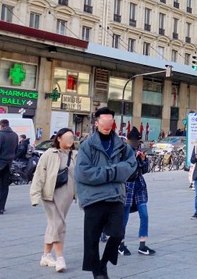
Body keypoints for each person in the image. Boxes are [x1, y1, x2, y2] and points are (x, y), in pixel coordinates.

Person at [75, 107, 136, 279]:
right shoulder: (87, 146)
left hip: (116, 196)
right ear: (96, 123)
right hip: (93, 198)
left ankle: (103, 264)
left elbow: (131, 167)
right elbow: (83, 173)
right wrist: (112, 173)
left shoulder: (122, 146)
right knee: (92, 239)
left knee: (117, 234)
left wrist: (107, 172)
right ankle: (98, 273)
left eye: (110, 122)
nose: (107, 126)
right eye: (104, 122)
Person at [30, 128, 77, 273]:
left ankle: (46, 255)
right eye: (67, 137)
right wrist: (35, 195)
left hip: (67, 194)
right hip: (50, 193)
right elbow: (39, 174)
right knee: (59, 223)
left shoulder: (75, 154)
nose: (70, 140)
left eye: (72, 137)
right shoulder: (49, 154)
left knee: (54, 224)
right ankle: (60, 257)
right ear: (59, 139)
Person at [118, 127, 155, 257]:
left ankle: (142, 245)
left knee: (144, 215)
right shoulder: (122, 152)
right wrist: (133, 158)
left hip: (139, 186)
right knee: (125, 217)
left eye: (138, 142)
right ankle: (120, 244)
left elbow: (144, 170)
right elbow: (123, 170)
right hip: (127, 187)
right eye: (135, 141)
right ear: (130, 140)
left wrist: (143, 159)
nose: (137, 144)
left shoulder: (137, 151)